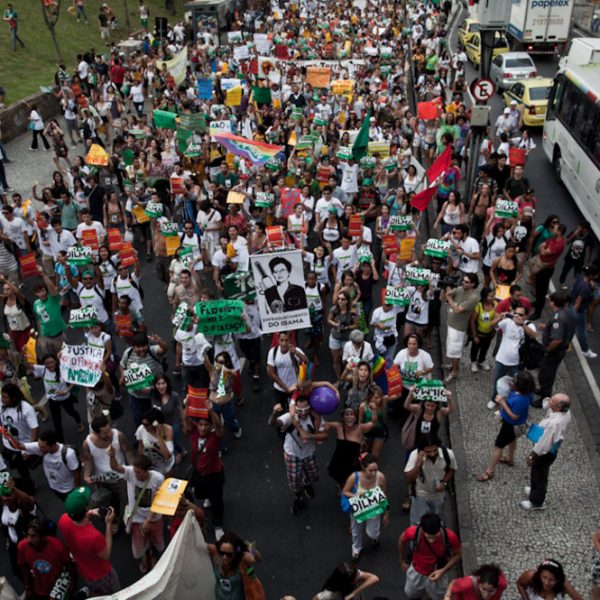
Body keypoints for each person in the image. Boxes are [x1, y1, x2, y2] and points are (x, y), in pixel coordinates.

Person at [109, 449, 165, 573]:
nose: (135, 475)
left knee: (156, 540)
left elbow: (160, 500)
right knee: (139, 543)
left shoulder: (158, 478)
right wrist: (112, 456)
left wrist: (149, 520)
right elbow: (115, 467)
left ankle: (153, 554)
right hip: (137, 518)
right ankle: (145, 556)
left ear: (147, 470)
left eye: (138, 472)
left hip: (154, 517)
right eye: (134, 471)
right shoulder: (131, 472)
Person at [58, 486, 120, 595]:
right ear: (85, 508)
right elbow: (106, 555)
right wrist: (108, 524)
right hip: (101, 574)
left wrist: (90, 513)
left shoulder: (63, 520)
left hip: (84, 571)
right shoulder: (93, 537)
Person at [272, 395, 327, 515]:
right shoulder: (289, 417)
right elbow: (274, 423)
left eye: (306, 409)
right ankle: (299, 497)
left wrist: (310, 436)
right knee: (294, 481)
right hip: (292, 454)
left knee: (314, 475)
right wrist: (274, 413)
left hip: (309, 454)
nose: (303, 413)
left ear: (310, 408)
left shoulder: (315, 417)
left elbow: (325, 435)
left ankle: (306, 483)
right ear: (295, 409)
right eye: (299, 410)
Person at [476, 370, 535, 481]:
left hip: (511, 426)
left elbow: (514, 416)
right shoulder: (527, 394)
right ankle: (510, 458)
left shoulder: (520, 400)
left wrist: (502, 403)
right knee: (512, 440)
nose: (513, 380)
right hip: (516, 426)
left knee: (499, 446)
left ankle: (489, 471)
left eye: (515, 380)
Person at [521, 393, 572, 510]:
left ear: (559, 406)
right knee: (539, 473)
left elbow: (544, 444)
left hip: (545, 453)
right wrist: (551, 402)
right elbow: (546, 405)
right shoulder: (565, 412)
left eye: (552, 400)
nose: (549, 400)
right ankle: (535, 491)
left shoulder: (554, 424)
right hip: (550, 450)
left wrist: (532, 455)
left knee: (539, 475)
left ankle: (537, 502)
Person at [398, 512, 462, 600]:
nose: (432, 540)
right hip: (417, 572)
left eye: (435, 536)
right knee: (412, 595)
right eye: (428, 537)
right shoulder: (413, 532)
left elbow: (458, 554)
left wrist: (443, 571)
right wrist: (401, 560)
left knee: (438, 597)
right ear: (422, 530)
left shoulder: (450, 536)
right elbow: (401, 540)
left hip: (438, 574)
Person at [184, 408, 226, 539]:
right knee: (199, 493)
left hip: (214, 474)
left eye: (206, 425)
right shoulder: (194, 433)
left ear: (210, 426)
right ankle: (208, 496)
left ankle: (218, 525)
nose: (203, 428)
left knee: (217, 501)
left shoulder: (215, 437)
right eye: (200, 424)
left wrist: (211, 411)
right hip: (199, 472)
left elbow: (219, 426)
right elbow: (186, 419)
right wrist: (187, 406)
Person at [341, 453, 389, 561]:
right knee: (356, 530)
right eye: (370, 470)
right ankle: (356, 549)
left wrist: (386, 513)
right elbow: (345, 492)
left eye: (375, 470)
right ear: (363, 467)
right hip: (358, 507)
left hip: (374, 507)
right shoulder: (354, 477)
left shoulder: (381, 477)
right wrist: (357, 495)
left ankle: (374, 538)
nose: (373, 473)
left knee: (373, 533)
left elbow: (384, 495)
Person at [11, 429, 81, 500]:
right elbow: (19, 445)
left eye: (42, 447)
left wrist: (77, 491)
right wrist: (8, 435)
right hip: (55, 488)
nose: (39, 448)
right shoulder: (40, 447)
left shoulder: (68, 454)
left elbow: (76, 472)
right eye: (39, 445)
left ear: (52, 445)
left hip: (69, 489)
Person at [404, 433, 457, 525]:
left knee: (434, 518)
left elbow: (452, 469)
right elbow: (409, 479)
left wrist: (444, 482)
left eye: (435, 450)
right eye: (428, 452)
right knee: (417, 522)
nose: (432, 454)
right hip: (420, 492)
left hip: (438, 495)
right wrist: (418, 464)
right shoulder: (414, 455)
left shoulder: (448, 454)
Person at [17, 518, 75, 600]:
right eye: (28, 535)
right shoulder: (22, 547)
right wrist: (28, 587)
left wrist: (73, 583)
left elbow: (69, 565)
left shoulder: (58, 546)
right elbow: (24, 568)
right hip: (39, 590)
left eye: (33, 536)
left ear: (43, 537)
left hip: (58, 589)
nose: (29, 540)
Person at [536, 292, 575, 407]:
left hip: (554, 352)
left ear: (553, 303)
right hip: (559, 350)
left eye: (550, 300)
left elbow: (557, 340)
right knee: (546, 372)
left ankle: (545, 398)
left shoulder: (558, 319)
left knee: (546, 374)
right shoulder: (565, 312)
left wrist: (547, 350)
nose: (549, 302)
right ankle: (542, 390)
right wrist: (547, 327)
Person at [442, 272, 479, 383]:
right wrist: (448, 290)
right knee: (451, 348)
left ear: (473, 284)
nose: (463, 283)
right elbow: (449, 294)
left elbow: (457, 310)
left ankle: (454, 371)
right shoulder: (460, 289)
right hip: (451, 323)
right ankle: (452, 365)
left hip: (458, 328)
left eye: (466, 282)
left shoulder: (473, 298)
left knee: (456, 351)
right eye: (463, 280)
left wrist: (450, 300)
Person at [327, 407, 376, 488]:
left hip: (353, 463)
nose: (349, 417)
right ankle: (341, 487)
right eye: (346, 415)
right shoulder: (338, 426)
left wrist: (374, 410)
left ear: (355, 418)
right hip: (338, 462)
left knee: (353, 483)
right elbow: (324, 424)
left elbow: (373, 422)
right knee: (340, 480)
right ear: (343, 418)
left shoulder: (360, 428)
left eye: (352, 414)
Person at [207, 532, 261, 600]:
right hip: (220, 597)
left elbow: (257, 559)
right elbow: (200, 544)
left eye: (229, 554)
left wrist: (251, 549)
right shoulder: (215, 553)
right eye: (222, 553)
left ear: (235, 552)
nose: (224, 557)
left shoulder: (242, 559)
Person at [516, 560, 584, 600]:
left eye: (552, 580)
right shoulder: (531, 576)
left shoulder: (564, 584)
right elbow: (520, 584)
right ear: (539, 574)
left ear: (558, 579)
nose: (546, 583)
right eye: (544, 577)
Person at [571, 265, 599, 358]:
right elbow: (578, 302)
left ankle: (565, 344)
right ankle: (585, 350)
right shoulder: (585, 288)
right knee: (581, 332)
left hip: (572, 304)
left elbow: (574, 284)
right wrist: (573, 314)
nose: (597, 276)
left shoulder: (580, 277)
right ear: (591, 275)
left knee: (570, 328)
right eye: (596, 275)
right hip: (579, 311)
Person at [312, 562, 379, 600]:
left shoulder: (353, 574)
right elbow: (315, 598)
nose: (360, 574)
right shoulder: (330, 594)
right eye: (357, 575)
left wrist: (354, 593)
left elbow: (375, 578)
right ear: (350, 582)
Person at [469, 287, 497, 372]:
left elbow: (497, 317)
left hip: (489, 333)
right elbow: (472, 321)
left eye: (493, 296)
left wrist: (494, 330)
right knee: (475, 348)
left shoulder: (495, 304)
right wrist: (474, 335)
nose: (492, 298)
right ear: (484, 297)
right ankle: (473, 362)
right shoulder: (479, 306)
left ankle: (481, 360)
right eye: (489, 296)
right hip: (478, 333)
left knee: (485, 348)